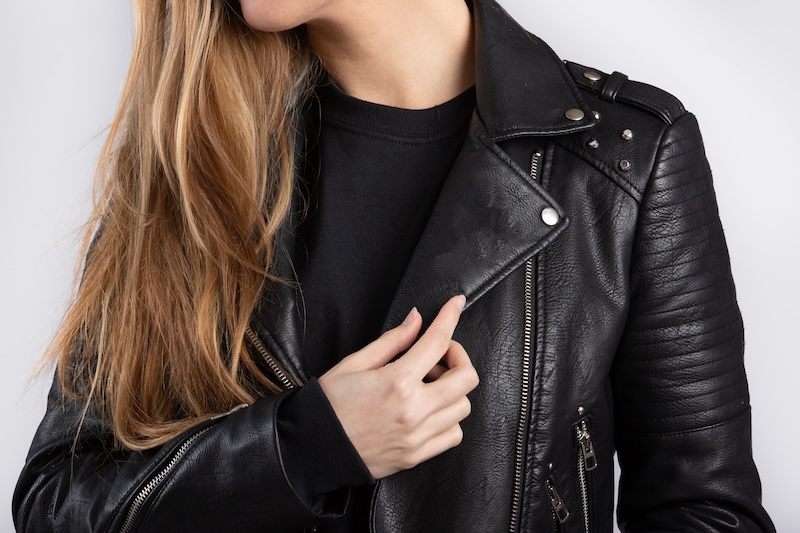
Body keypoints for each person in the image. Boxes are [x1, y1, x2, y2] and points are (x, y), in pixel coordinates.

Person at [13, 0, 775, 531]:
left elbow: (704, 511)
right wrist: (307, 445)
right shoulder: (192, 167)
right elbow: (57, 502)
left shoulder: (624, 161)